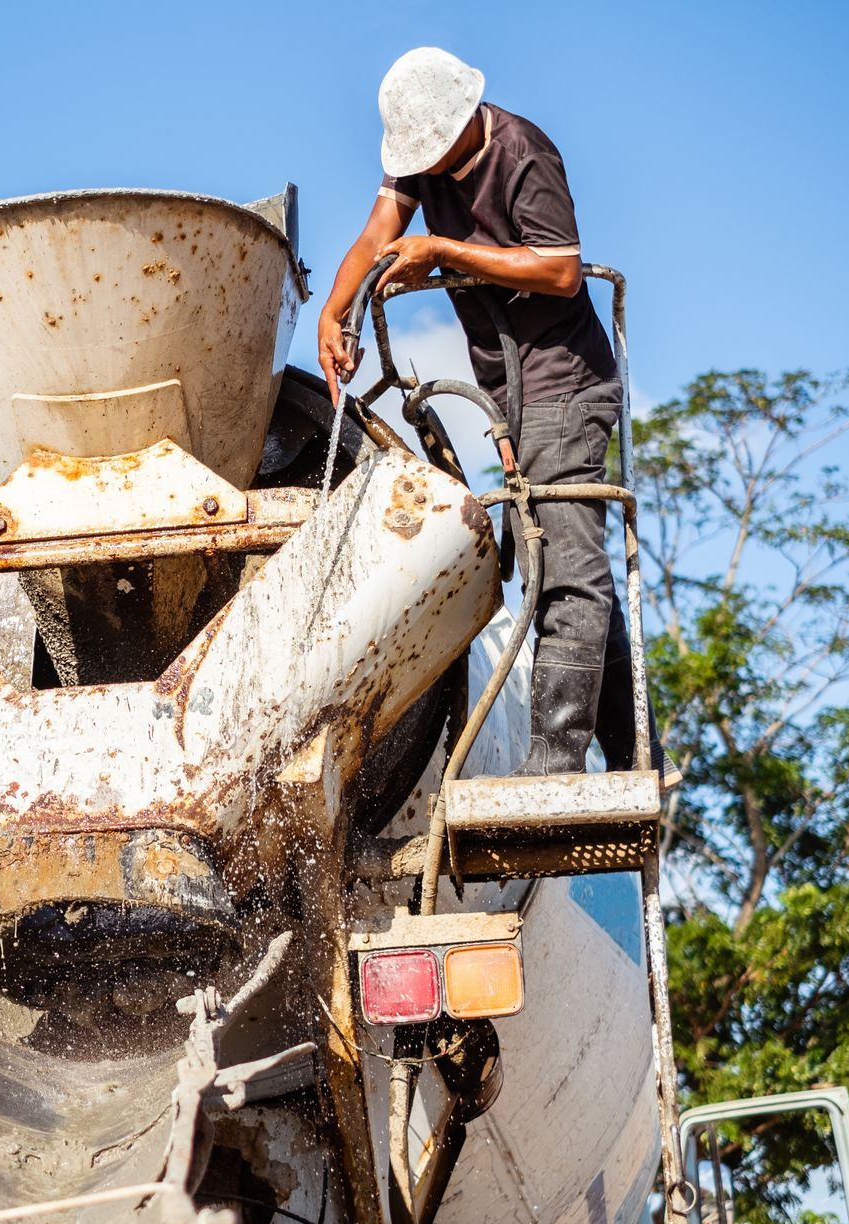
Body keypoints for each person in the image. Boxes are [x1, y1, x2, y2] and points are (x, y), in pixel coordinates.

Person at [316, 46, 680, 787]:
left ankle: (556, 760)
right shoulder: (426, 159)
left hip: (564, 380)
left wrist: (445, 250)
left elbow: (560, 269)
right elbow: (377, 231)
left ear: (463, 121)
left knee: (565, 570)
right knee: (551, 552)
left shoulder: (522, 151)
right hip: (509, 392)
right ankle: (637, 748)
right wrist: (336, 310)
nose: (421, 165)